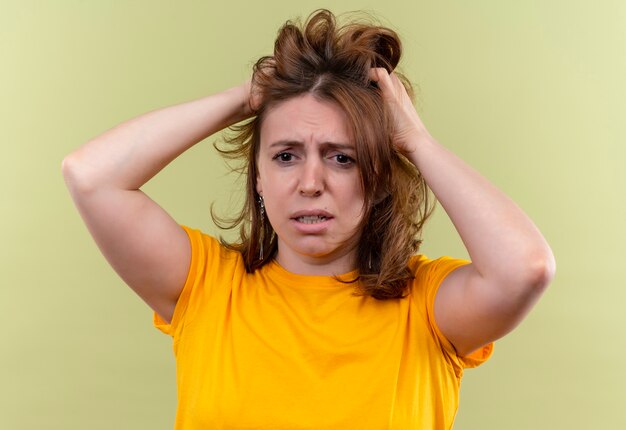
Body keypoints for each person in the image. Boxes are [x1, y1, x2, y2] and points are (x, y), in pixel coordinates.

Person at [62, 9, 555, 430]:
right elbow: (90, 175)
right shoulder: (206, 286)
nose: (310, 182)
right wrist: (249, 98)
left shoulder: (428, 307)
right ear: (258, 178)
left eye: (342, 158)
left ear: (379, 178)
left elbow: (525, 268)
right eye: (285, 156)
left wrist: (416, 142)